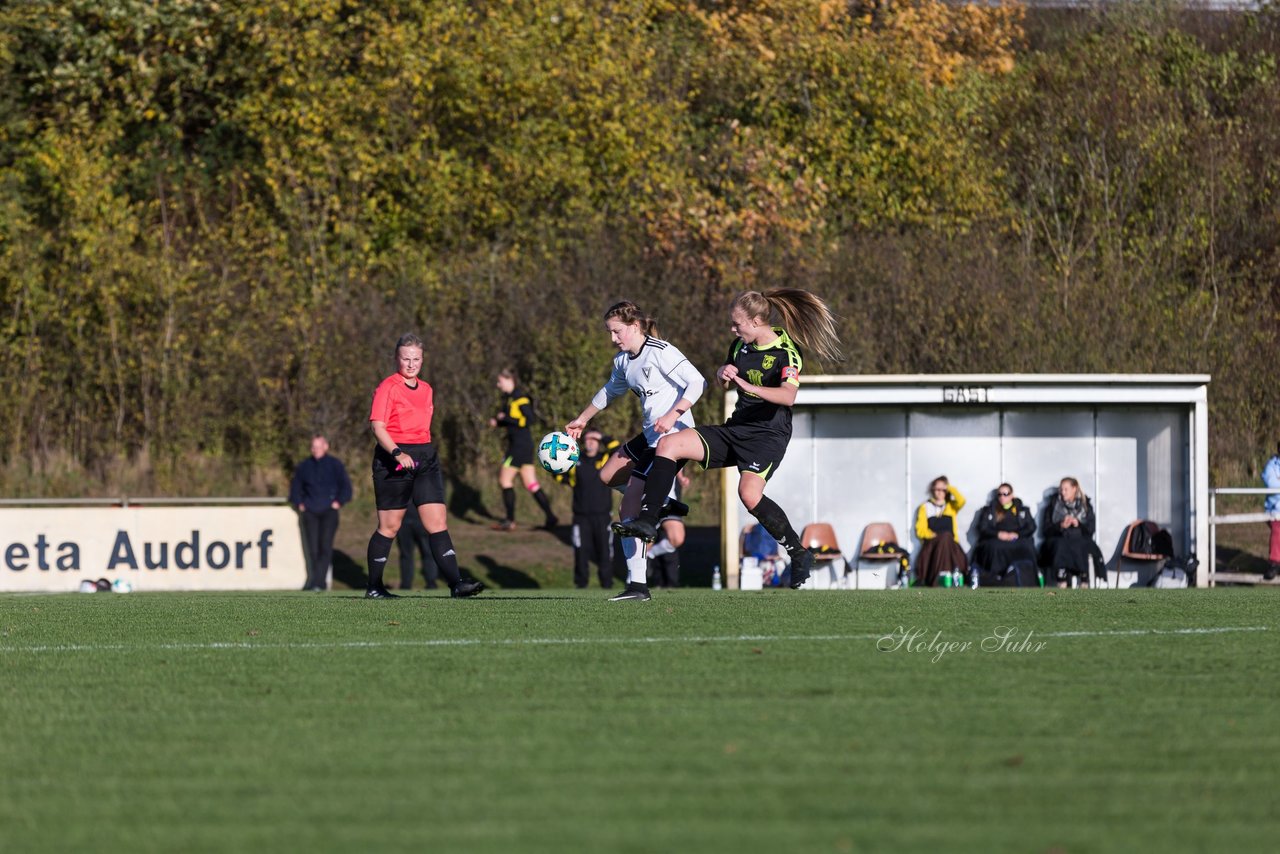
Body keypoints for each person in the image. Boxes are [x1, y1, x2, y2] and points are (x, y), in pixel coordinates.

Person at [615, 288, 845, 592]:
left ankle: (799, 553)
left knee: (749, 495)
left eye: (737, 324)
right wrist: (724, 373)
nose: (733, 330)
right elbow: (726, 381)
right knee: (670, 443)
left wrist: (747, 385)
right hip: (736, 428)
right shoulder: (740, 345)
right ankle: (648, 520)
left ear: (757, 320)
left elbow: (788, 397)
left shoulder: (786, 352)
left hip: (767, 435)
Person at [565, 301, 707, 602]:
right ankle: (662, 501)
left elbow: (698, 382)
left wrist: (674, 414)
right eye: (610, 333)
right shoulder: (623, 361)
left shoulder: (661, 351)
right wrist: (582, 418)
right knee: (606, 474)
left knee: (628, 508)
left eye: (617, 332)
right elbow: (608, 391)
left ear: (635, 326)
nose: (613, 339)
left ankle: (638, 585)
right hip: (650, 435)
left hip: (674, 436)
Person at [364, 333, 485, 599]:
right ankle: (374, 587)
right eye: (405, 358)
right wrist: (397, 452)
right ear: (397, 358)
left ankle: (456, 584)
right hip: (393, 458)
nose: (410, 364)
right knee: (390, 526)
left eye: (416, 359)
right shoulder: (388, 387)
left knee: (438, 522)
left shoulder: (427, 389)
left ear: (422, 359)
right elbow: (377, 426)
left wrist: (421, 453)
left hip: (425, 457)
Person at [488, 368, 557, 531]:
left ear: (509, 379)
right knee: (531, 484)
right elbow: (512, 421)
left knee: (504, 480)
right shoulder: (509, 399)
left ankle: (510, 520)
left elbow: (529, 420)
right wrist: (499, 422)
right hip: (523, 446)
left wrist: (506, 418)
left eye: (500, 381)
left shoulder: (520, 398)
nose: (498, 385)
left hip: (519, 447)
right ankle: (551, 517)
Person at [289, 433, 353, 592]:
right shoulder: (304, 466)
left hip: (329, 512)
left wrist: (338, 502)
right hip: (310, 512)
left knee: (325, 547)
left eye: (319, 446)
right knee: (312, 548)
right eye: (313, 447)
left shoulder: (335, 465)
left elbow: (346, 487)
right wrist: (300, 504)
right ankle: (315, 581)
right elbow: (295, 489)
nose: (315, 450)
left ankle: (318, 583)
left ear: (326, 446)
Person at [556, 427, 617, 589]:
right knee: (581, 551)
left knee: (605, 552)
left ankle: (607, 585)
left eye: (594, 440)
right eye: (587, 439)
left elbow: (617, 448)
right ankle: (581, 585)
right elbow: (560, 475)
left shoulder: (605, 458)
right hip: (581, 516)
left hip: (603, 516)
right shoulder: (575, 459)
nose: (590, 442)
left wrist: (601, 436)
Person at [1040, 477, 1106, 588]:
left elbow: (1090, 529)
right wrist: (1060, 526)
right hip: (1059, 538)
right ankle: (1062, 580)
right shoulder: (1053, 505)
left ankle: (1083, 578)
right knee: (1060, 545)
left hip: (1079, 538)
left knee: (1080, 544)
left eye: (1066, 489)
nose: (1062, 492)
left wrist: (1078, 524)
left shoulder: (1085, 506)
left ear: (1074, 489)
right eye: (1061, 489)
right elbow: (1046, 530)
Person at [970, 483, 1038, 585]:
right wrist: (998, 534)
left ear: (1011, 495)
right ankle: (994, 579)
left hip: (1017, 539)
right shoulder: (989, 510)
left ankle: (1027, 579)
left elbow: (1031, 527)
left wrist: (1016, 534)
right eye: (1000, 494)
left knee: (1027, 546)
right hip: (996, 539)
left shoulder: (1022, 510)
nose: (1002, 497)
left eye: (1005, 494)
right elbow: (983, 528)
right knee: (992, 547)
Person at [913, 476, 968, 588]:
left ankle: (944, 577)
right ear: (932, 490)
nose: (940, 492)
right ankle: (940, 578)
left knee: (947, 537)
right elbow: (920, 530)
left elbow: (961, 500)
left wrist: (949, 487)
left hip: (951, 544)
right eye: (937, 489)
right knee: (944, 537)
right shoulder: (925, 507)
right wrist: (931, 535)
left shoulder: (951, 506)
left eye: (943, 489)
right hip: (933, 544)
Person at [647, 471, 691, 589]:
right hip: (650, 501)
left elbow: (678, 457)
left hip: (669, 502)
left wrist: (681, 477)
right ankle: (632, 582)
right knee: (644, 543)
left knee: (677, 538)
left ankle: (650, 554)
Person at [396, 504, 439, 590]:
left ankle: (430, 582)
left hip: (418, 520)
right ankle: (407, 584)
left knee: (427, 554)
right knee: (409, 554)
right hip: (407, 520)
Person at [1263, 444, 1280, 580]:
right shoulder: (1271, 466)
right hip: (1275, 509)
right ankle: (1274, 563)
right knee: (1278, 528)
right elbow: (1272, 485)